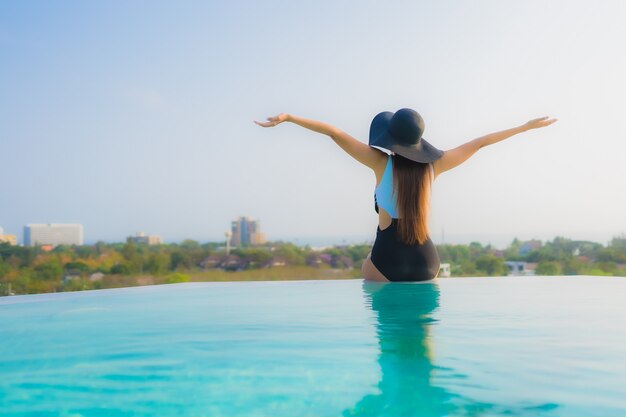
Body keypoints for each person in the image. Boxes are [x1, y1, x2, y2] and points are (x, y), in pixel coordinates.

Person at [254, 108, 557, 282]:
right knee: (423, 357)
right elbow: (479, 143)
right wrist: (524, 127)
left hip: (387, 261)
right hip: (427, 261)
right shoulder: (436, 166)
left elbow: (334, 132)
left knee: (390, 351)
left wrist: (290, 118)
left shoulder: (379, 162)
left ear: (391, 140)